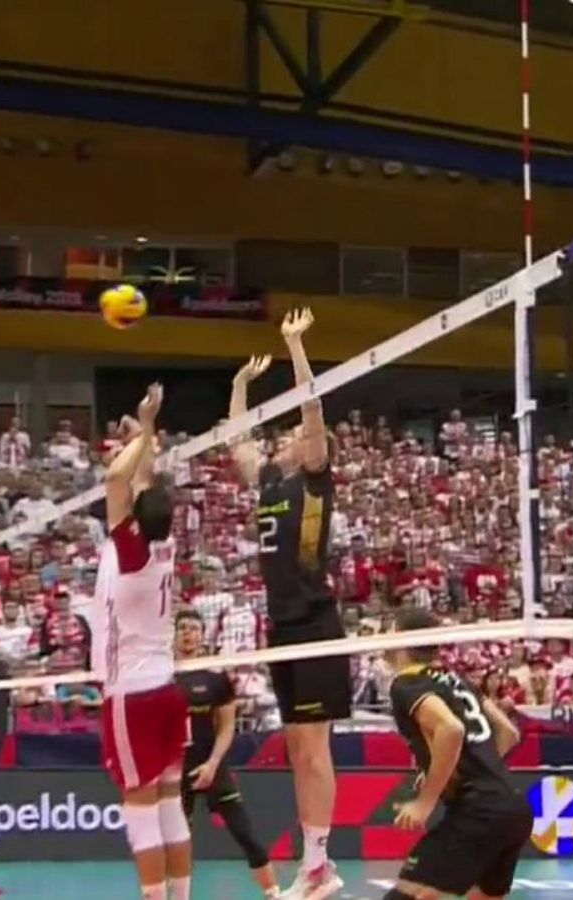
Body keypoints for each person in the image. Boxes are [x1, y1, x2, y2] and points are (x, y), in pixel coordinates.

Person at [229, 309, 346, 900]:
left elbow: (313, 408)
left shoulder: (316, 479)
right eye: (292, 435)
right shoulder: (271, 482)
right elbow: (237, 442)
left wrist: (295, 346)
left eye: (300, 436)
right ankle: (316, 865)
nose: (293, 437)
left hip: (317, 621)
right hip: (281, 626)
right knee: (298, 747)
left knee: (314, 745)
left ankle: (320, 863)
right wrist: (240, 386)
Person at [91, 384, 192, 900]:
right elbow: (143, 481)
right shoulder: (163, 543)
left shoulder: (129, 552)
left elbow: (116, 478)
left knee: (141, 807)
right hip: (167, 688)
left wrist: (138, 428)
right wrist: (147, 428)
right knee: (170, 802)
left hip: (133, 694)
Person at [383, 608, 531, 900]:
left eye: (388, 630)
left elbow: (450, 730)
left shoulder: (407, 684)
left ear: (402, 638)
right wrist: (464, 766)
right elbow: (508, 733)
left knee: (410, 894)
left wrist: (425, 802)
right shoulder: (454, 679)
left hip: (479, 811)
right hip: (513, 807)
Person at [173, 609, 277, 899]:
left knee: (245, 833)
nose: (188, 633)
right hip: (174, 769)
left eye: (193, 628)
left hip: (211, 766)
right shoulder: (163, 675)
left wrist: (212, 764)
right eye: (182, 628)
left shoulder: (216, 676)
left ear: (202, 633)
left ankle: (274, 893)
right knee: (178, 842)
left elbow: (227, 726)